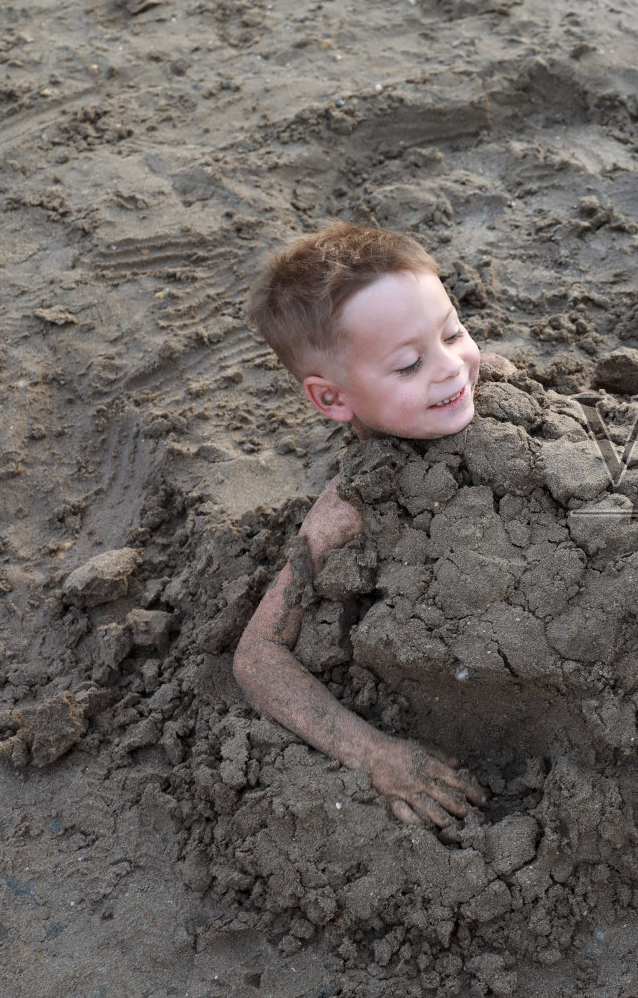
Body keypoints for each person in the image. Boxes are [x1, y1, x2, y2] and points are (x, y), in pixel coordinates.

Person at [235, 222, 497, 827]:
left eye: (453, 332)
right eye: (408, 365)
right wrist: (374, 754)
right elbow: (257, 656)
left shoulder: (503, 395)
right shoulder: (349, 507)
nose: (452, 368)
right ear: (333, 399)